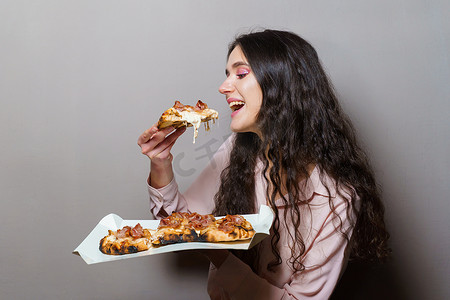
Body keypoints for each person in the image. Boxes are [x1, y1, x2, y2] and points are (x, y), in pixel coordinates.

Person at [137, 29, 390, 299]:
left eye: (241, 74)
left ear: (281, 83)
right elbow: (177, 226)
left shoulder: (338, 199)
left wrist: (218, 255)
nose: (224, 87)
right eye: (227, 74)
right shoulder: (237, 150)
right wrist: (160, 163)